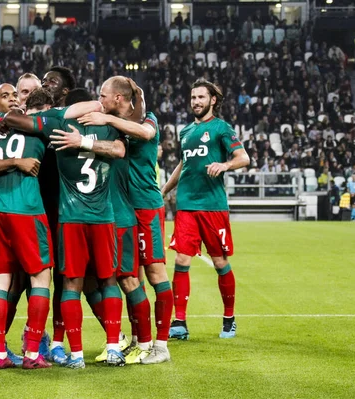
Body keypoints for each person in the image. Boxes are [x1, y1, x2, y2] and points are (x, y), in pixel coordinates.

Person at [1, 88, 127, 368]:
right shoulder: (108, 129)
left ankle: (77, 355)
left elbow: (19, 121)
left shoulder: (58, 124)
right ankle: (113, 347)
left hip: (69, 217)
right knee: (108, 281)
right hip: (104, 216)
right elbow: (120, 150)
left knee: (70, 283)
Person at [77, 76, 174, 364]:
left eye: (104, 95)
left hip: (146, 207)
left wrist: (112, 117)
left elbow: (144, 134)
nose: (100, 100)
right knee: (130, 277)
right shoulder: (111, 123)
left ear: (118, 98)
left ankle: (162, 346)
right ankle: (138, 339)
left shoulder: (147, 119)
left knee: (155, 275)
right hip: (122, 211)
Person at [161, 79, 250, 340]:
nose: (196, 102)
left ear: (213, 100)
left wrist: (224, 165)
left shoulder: (222, 128)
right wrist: (165, 190)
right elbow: (183, 164)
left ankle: (229, 318)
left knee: (220, 262)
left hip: (213, 206)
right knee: (180, 260)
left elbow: (243, 158)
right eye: (193, 98)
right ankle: (180, 323)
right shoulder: (186, 131)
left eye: (201, 97)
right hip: (187, 204)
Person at [0, 89, 56, 370]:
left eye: (16, 94)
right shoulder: (38, 127)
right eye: (6, 94)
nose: (13, 97)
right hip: (27, 211)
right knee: (41, 277)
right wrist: (17, 162)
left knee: (1, 279)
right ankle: (33, 353)